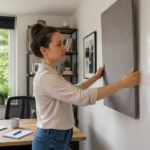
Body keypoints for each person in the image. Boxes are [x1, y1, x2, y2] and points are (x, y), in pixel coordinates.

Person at [29, 23, 140, 150]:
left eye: (63, 43)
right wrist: (122, 84)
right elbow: (82, 98)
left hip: (56, 137)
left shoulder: (52, 73)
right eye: (59, 44)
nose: (64, 47)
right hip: (51, 139)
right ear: (44, 50)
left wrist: (95, 77)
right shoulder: (46, 77)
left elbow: (73, 90)